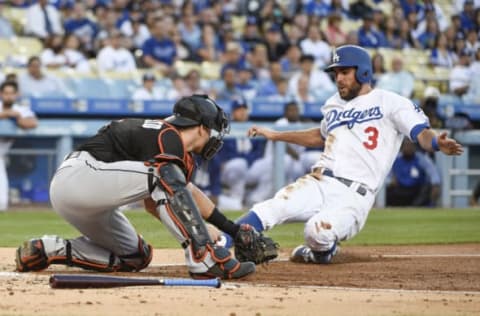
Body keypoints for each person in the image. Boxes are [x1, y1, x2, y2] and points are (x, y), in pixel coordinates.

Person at [224, 45, 463, 263]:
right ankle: (220, 245)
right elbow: (320, 136)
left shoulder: (389, 101)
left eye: (345, 72)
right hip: (320, 181)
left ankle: (318, 253)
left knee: (316, 230)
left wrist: (435, 143)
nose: (338, 78)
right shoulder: (333, 104)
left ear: (363, 73)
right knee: (272, 207)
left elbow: (421, 133)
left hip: (355, 194)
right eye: (336, 73)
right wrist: (277, 135)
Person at [15, 95, 256, 280]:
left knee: (136, 256)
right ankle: (202, 258)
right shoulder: (167, 135)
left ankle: (48, 248)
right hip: (80, 177)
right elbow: (167, 186)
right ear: (202, 128)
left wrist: (231, 230)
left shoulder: (171, 146)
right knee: (164, 175)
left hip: (87, 197)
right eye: (213, 130)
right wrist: (201, 231)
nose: (215, 137)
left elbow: (175, 195)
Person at [0, 81, 38, 211]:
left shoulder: (20, 110)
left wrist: (18, 119)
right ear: (1, 94)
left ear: (16, 95)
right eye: (6, 93)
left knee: (1, 203)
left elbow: (32, 123)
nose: (8, 96)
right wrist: (5, 114)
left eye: (11, 93)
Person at [386, 138, 441, 207]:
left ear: (414, 147)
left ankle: (416, 207)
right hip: (400, 189)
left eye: (411, 145)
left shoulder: (421, 158)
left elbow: (433, 172)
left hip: (416, 189)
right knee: (387, 191)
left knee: (427, 188)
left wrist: (435, 184)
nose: (409, 148)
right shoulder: (395, 159)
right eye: (407, 145)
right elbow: (387, 175)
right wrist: (390, 181)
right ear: (402, 147)